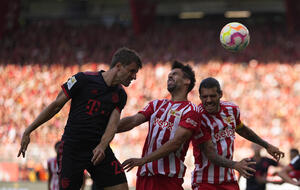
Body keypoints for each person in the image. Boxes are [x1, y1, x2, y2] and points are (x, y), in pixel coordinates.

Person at [18, 47, 142, 190]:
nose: (134, 77)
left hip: (97, 148)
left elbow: (112, 126)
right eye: (132, 71)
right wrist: (29, 130)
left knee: (120, 187)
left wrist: (102, 146)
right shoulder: (82, 79)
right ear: (119, 66)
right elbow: (56, 105)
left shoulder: (120, 95)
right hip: (72, 149)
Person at [118, 61, 256, 190]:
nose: (170, 76)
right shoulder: (156, 104)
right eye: (169, 74)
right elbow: (133, 121)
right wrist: (106, 130)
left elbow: (176, 142)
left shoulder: (191, 111)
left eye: (175, 74)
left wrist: (143, 160)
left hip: (168, 178)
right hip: (145, 175)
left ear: (187, 81)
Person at [191, 77, 285, 190]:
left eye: (212, 96)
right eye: (205, 97)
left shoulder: (231, 109)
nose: (209, 100)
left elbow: (241, 129)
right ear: (200, 97)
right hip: (205, 182)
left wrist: (266, 145)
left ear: (220, 94)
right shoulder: (198, 117)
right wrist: (235, 165)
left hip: (229, 180)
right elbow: (211, 155)